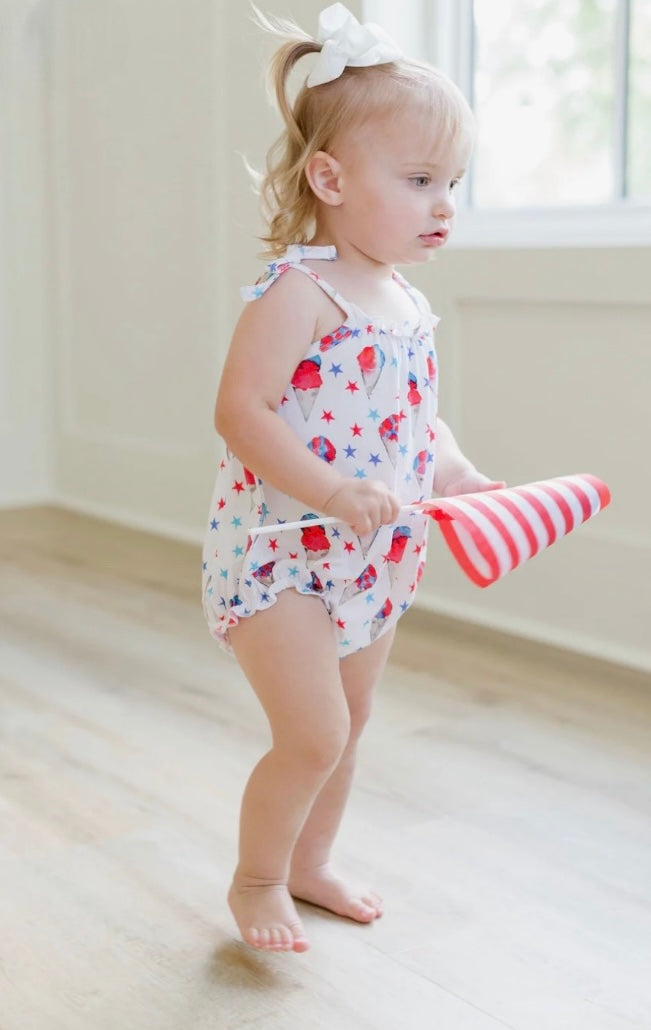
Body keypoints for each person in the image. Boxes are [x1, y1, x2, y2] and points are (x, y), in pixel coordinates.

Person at [202, 2, 504, 953]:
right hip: (283, 553)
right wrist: (332, 493)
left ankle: (310, 862)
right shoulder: (300, 291)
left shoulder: (406, 302)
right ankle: (255, 879)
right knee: (313, 734)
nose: (443, 203)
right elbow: (240, 411)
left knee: (353, 718)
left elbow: (413, 420)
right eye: (419, 180)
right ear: (329, 178)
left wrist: (453, 473)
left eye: (451, 181)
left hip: (372, 554)